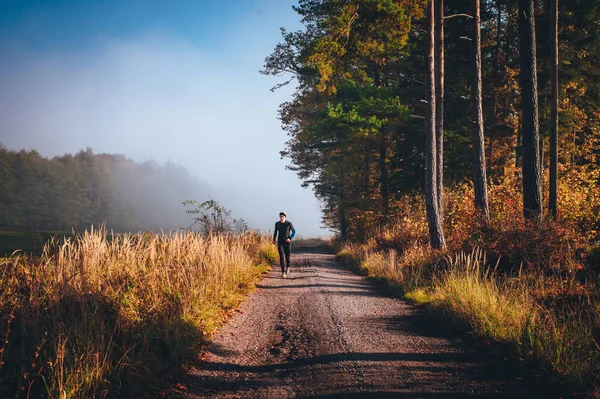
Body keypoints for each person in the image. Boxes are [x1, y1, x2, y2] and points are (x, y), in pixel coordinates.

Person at [272, 211, 296, 278]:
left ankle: (288, 267)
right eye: (280, 217)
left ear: (285, 217)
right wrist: (274, 239)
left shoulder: (289, 223)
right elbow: (275, 232)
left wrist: (290, 238)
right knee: (281, 257)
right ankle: (283, 272)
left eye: (282, 217)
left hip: (287, 242)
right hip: (280, 242)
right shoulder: (277, 224)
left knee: (287, 257)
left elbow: (294, 231)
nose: (281, 218)